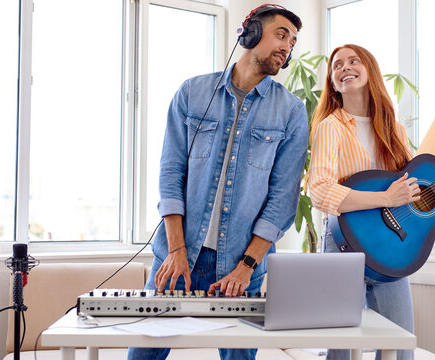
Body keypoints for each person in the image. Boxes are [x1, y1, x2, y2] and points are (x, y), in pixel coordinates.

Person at [127, 4, 307, 360]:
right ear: (251, 33)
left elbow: (282, 199)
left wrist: (246, 267)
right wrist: (177, 251)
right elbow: (170, 174)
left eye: (294, 41)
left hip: (242, 267)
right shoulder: (192, 93)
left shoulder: (291, 111)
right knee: (142, 357)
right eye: (282, 34)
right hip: (176, 256)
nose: (288, 47)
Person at [307, 43, 435, 360]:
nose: (344, 68)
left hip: (393, 249)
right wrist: (385, 197)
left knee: (401, 348)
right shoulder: (331, 126)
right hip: (343, 244)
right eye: (336, 65)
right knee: (341, 350)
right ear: (332, 81)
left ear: (370, 70)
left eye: (353, 61)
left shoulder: (392, 128)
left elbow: (420, 184)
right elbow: (320, 190)